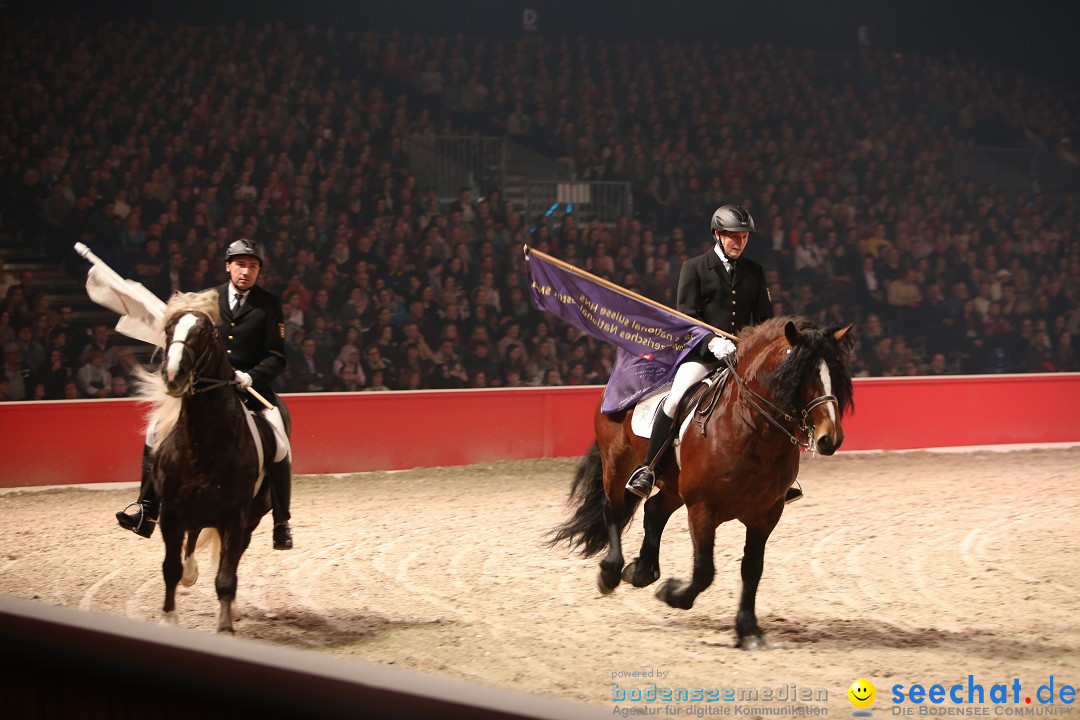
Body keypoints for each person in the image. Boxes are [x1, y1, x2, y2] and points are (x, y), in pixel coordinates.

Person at [115, 239, 296, 549]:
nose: (246, 271)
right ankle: (147, 507)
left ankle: (282, 521)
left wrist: (249, 376)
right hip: (205, 388)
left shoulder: (269, 305)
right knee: (154, 431)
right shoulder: (207, 302)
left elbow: (276, 356)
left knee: (279, 442)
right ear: (228, 266)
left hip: (251, 390)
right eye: (240, 264)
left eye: (253, 266)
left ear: (259, 271)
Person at [626, 205, 798, 502]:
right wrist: (712, 343)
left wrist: (759, 348)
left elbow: (764, 320)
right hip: (703, 356)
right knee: (677, 399)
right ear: (717, 235)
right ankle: (648, 468)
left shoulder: (754, 272)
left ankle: (783, 477)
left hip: (743, 358)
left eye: (744, 237)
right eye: (733, 237)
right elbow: (687, 318)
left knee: (778, 399)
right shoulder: (694, 268)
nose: (739, 243)